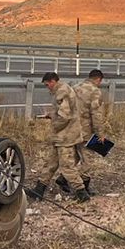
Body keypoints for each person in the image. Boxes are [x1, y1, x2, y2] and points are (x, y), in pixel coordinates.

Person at [28, 70, 90, 202]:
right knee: (51, 163)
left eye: (47, 85)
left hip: (65, 137)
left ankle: (81, 193)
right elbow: (64, 112)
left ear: (52, 81)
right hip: (62, 137)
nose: (47, 88)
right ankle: (39, 190)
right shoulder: (64, 90)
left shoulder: (62, 92)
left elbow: (64, 116)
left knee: (67, 166)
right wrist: (52, 115)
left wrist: (55, 126)